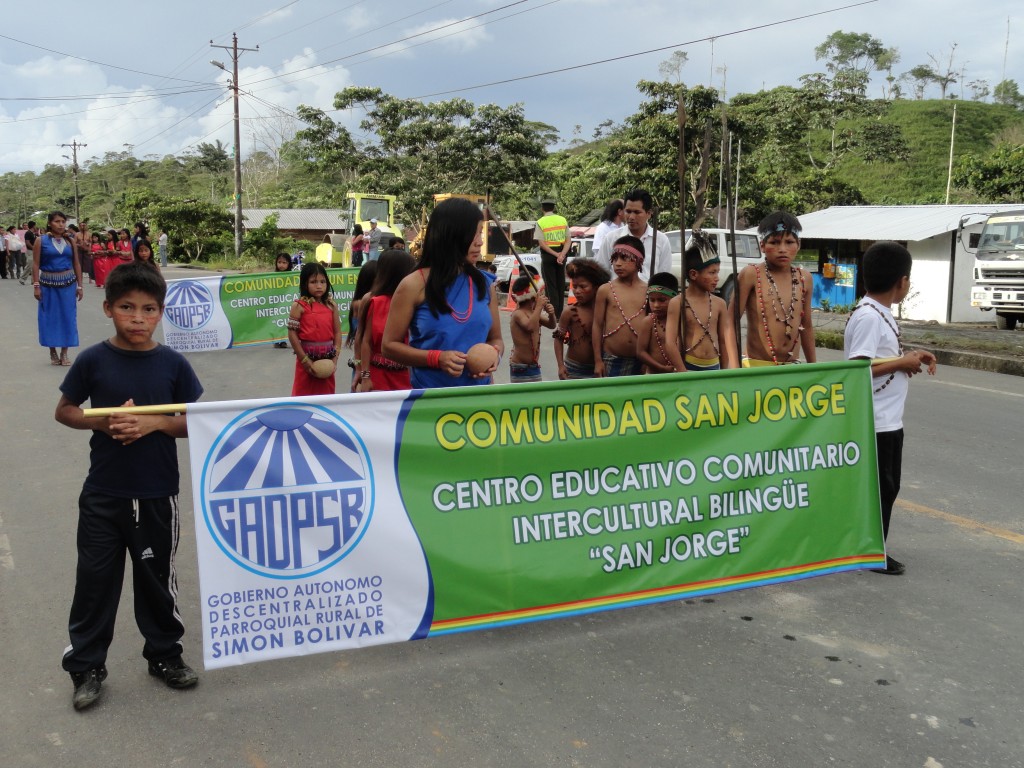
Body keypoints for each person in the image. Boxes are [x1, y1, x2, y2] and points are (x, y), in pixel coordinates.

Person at [54, 261, 204, 710]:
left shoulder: (173, 364)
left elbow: (194, 422)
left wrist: (153, 422)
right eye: (126, 307)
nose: (137, 318)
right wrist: (103, 424)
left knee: (157, 580)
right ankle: (86, 666)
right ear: (107, 308)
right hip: (103, 494)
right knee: (95, 582)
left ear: (161, 312)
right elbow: (65, 410)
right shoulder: (93, 360)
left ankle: (164, 655)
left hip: (158, 495)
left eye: (148, 309)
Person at [844, 241, 937, 576]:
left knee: (885, 485)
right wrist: (901, 362)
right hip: (877, 419)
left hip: (886, 417)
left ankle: (868, 546)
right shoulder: (870, 317)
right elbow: (857, 369)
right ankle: (872, 550)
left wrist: (907, 358)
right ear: (902, 282)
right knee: (883, 486)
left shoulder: (876, 313)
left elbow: (882, 359)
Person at [382, 197, 504, 388]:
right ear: (452, 235)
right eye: (475, 234)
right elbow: (389, 346)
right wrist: (436, 358)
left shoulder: (484, 283)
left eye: (481, 234)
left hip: (480, 403)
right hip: (430, 404)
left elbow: (495, 339)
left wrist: (494, 355)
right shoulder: (414, 285)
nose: (480, 243)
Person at [732, 211, 816, 366]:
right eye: (775, 242)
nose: (782, 249)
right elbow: (730, 322)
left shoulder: (804, 278)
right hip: (756, 365)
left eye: (789, 242)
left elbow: (807, 326)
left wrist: (814, 368)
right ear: (762, 246)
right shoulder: (751, 274)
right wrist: (732, 367)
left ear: (799, 245)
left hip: (792, 367)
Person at [665, 234, 739, 372]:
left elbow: (723, 340)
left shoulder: (720, 303)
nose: (716, 278)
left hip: (714, 367)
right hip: (688, 368)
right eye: (712, 273)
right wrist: (682, 371)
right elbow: (670, 343)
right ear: (693, 274)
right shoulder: (678, 303)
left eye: (717, 272)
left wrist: (723, 372)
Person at [355, 248, 416, 393]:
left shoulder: (414, 301)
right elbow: (365, 341)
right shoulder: (374, 301)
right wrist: (364, 376)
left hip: (407, 377)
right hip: (378, 377)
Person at [32, 211, 83, 367]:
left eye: (63, 221)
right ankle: (52, 350)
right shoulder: (41, 241)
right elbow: (35, 264)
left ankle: (65, 352)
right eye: (57, 221)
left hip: (68, 284)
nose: (61, 224)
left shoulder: (70, 241)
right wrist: (36, 286)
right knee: (49, 317)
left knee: (68, 317)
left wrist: (80, 285)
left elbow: (76, 263)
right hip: (47, 284)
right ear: (49, 223)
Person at [592, 235, 647, 377]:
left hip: (641, 360)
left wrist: (648, 361)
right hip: (611, 360)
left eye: (624, 258)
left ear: (639, 260)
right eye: (615, 259)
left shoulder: (648, 291)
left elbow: (652, 327)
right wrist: (598, 360)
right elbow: (597, 325)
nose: (618, 263)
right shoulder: (606, 290)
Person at [287, 262, 343, 397]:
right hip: (306, 360)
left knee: (326, 399)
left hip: (327, 360)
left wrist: (335, 358)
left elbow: (337, 332)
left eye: (322, 281)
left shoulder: (331, 305)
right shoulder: (299, 305)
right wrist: (305, 361)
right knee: (304, 397)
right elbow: (292, 334)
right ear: (305, 283)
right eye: (313, 282)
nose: (319, 286)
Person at [595, 189, 672, 282]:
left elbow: (664, 276)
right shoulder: (611, 238)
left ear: (649, 213)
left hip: (648, 295)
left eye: (637, 212)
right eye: (628, 211)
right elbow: (600, 273)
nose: (631, 217)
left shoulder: (661, 240)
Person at [553, 258, 610, 379]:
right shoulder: (569, 312)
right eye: (575, 286)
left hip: (600, 368)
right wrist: (560, 366)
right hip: (573, 369)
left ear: (596, 288)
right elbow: (558, 339)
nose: (577, 291)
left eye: (583, 287)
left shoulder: (607, 311)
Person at [508, 275, 556, 383]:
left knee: (535, 398)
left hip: (533, 367)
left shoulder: (534, 314)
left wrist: (551, 314)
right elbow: (529, 327)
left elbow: (552, 325)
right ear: (533, 297)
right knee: (522, 399)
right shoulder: (518, 314)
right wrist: (539, 307)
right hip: (520, 367)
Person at [636, 272, 679, 374]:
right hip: (654, 375)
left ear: (675, 299)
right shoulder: (649, 322)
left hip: (678, 374)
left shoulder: (680, 321)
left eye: (662, 300)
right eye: (652, 300)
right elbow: (640, 352)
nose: (656, 305)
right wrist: (660, 368)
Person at [344, 261, 379, 390]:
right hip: (365, 363)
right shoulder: (362, 303)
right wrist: (359, 367)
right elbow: (360, 340)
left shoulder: (363, 301)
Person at [535, 200, 572, 318]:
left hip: (548, 255)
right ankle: (560, 313)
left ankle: (554, 314)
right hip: (562, 254)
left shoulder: (540, 222)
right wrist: (562, 255)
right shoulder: (562, 220)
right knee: (560, 283)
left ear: (542, 209)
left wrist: (556, 255)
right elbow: (568, 241)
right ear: (553, 208)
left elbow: (542, 244)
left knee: (551, 285)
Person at [273, 253, 293, 348]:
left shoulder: (293, 275)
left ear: (289, 264)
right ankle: (276, 340)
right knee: (277, 321)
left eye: (284, 262)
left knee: (285, 321)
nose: (281, 265)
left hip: (287, 303)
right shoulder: (272, 276)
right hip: (276, 303)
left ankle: (283, 340)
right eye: (279, 262)